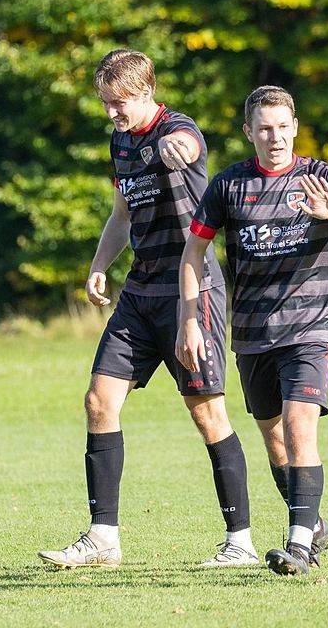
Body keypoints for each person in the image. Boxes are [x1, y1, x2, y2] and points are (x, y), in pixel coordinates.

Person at [38, 49, 257, 569]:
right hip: (139, 292)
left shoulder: (177, 128)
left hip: (192, 292)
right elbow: (121, 212)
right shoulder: (120, 140)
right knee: (97, 402)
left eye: (119, 103)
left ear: (144, 92)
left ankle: (241, 541)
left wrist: (178, 150)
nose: (111, 112)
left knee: (207, 414)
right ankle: (103, 538)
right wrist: (99, 264)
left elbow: (187, 144)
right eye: (105, 104)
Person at [178, 85, 328, 576]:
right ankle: (314, 524)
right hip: (250, 333)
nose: (276, 137)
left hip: (309, 328)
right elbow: (193, 253)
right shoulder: (227, 186)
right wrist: (190, 317)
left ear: (295, 128)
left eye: (283, 127)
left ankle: (299, 545)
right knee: (275, 439)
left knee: (301, 426)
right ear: (249, 132)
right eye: (265, 128)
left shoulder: (322, 176)